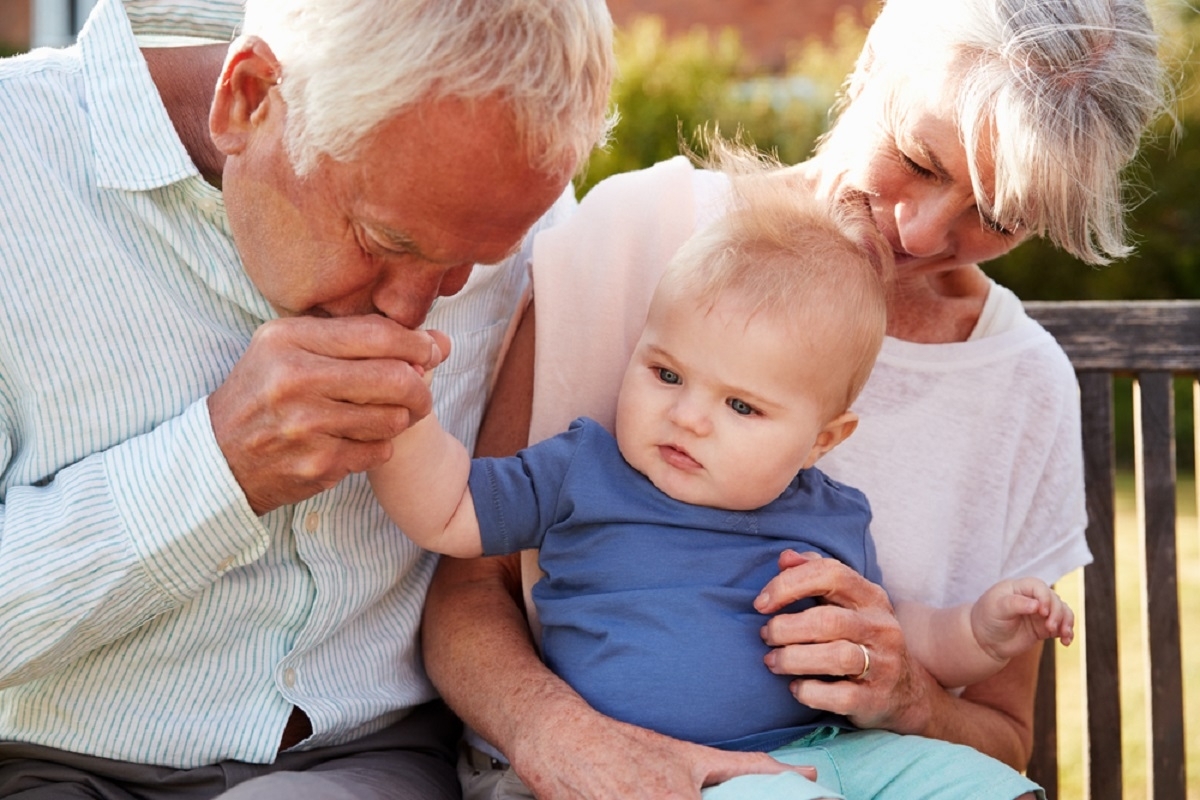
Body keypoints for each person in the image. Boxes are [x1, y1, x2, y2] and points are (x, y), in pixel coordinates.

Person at [419, 0, 1174, 797]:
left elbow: (1003, 740)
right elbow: (470, 586)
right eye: (919, 158)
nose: (919, 232)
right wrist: (566, 737)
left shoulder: (1022, 386)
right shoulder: (638, 236)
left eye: (997, 215)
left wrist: (909, 695)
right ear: (878, 55)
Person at [0, 0, 613, 797]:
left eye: (469, 268)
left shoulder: (518, 207)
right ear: (247, 98)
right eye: (386, 244)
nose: (410, 310)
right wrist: (221, 465)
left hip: (371, 763)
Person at [371, 165, 1075, 799]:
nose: (688, 417)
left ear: (821, 442)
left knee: (985, 787)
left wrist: (980, 631)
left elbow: (904, 632)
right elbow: (449, 511)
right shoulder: (583, 470)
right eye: (666, 373)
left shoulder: (829, 514)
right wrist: (403, 416)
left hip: (830, 753)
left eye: (741, 406)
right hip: (660, 770)